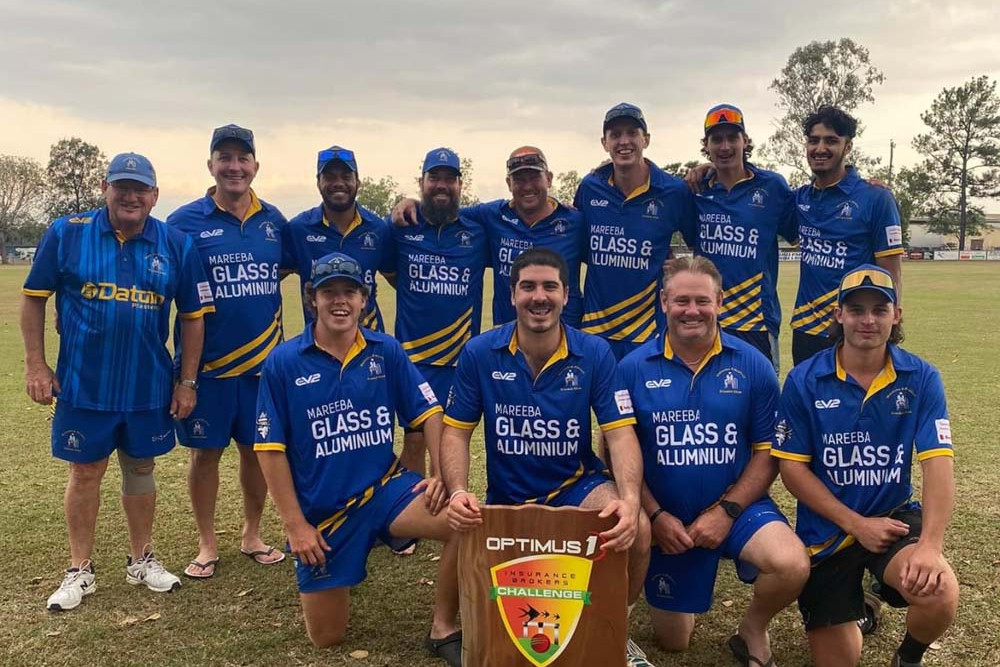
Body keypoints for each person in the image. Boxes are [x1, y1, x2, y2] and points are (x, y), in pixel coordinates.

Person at [440, 248, 656, 667]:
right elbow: (455, 432)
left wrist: (630, 500)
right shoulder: (480, 352)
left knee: (639, 530)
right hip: (509, 493)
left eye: (549, 287)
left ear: (565, 294)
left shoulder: (594, 352)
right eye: (528, 287)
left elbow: (621, 433)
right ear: (512, 294)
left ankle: (617, 629)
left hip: (576, 485)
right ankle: (448, 625)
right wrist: (459, 491)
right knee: (469, 541)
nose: (539, 297)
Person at [22, 152, 214, 610]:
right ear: (105, 188)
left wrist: (187, 381)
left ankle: (141, 559)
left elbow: (192, 318)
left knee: (142, 469)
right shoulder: (68, 233)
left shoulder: (175, 244)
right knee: (85, 472)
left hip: (148, 385)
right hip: (83, 384)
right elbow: (33, 300)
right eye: (121, 186)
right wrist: (35, 365)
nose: (130, 196)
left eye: (140, 188)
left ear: (154, 194)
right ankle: (79, 569)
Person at [254, 252, 461, 666]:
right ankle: (345, 564)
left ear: (365, 299)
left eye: (350, 291)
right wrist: (296, 527)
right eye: (329, 292)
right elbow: (270, 450)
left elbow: (430, 413)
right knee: (327, 637)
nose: (340, 301)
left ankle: (445, 627)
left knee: (464, 522)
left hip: (386, 491)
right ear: (312, 298)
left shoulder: (386, 351)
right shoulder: (283, 363)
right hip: (327, 515)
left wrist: (442, 475)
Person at [618, 256, 809, 666]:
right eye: (681, 300)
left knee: (791, 564)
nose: (692, 311)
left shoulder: (752, 364)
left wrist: (727, 510)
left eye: (702, 300)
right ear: (664, 301)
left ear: (720, 301)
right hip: (668, 521)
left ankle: (752, 629)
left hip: (736, 509)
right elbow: (616, 453)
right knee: (674, 641)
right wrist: (653, 516)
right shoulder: (632, 368)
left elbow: (767, 451)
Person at [772, 264, 958, 667]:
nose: (868, 320)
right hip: (828, 533)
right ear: (839, 315)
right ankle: (860, 605)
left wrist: (929, 546)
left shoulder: (921, 377)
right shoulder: (805, 379)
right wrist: (856, 523)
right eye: (856, 309)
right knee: (840, 660)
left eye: (879, 309)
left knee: (940, 591)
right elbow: (792, 471)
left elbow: (938, 463)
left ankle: (906, 659)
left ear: (897, 315)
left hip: (892, 521)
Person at [168, 124, 289, 579]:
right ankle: (206, 542)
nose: (234, 166)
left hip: (262, 370)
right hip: (208, 369)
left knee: (258, 451)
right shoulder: (183, 222)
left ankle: (252, 534)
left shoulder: (274, 221)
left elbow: (300, 266)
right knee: (204, 455)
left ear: (255, 165)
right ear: (211, 165)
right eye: (225, 157)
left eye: (243, 158)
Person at [391, 146, 587, 327]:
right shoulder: (493, 215)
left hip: (566, 339)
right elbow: (445, 208)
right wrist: (413, 202)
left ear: (549, 179)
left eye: (534, 177)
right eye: (519, 179)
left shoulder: (576, 222)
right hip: (509, 342)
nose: (527, 187)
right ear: (508, 183)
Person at [390, 148, 488, 477]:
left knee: (451, 439)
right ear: (422, 182)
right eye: (434, 178)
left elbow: (514, 210)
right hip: (412, 359)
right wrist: (403, 202)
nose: (441, 185)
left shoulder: (477, 229)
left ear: (461, 184)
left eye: (450, 179)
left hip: (459, 360)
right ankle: (411, 510)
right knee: (414, 439)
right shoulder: (402, 228)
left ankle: (447, 509)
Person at [575, 102, 697, 361]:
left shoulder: (673, 192)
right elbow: (582, 247)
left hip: (647, 332)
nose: (624, 141)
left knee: (645, 402)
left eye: (632, 133)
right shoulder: (589, 188)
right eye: (615, 135)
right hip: (596, 331)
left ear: (646, 139)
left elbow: (701, 241)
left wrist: (682, 268)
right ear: (604, 143)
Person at [790, 106, 904, 365]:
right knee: (808, 403)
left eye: (831, 141)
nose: (820, 149)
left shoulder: (876, 199)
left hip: (853, 327)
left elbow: (892, 272)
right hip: (806, 328)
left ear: (848, 146)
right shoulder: (799, 199)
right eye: (813, 140)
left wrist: (890, 327)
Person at [692, 104, 798, 371]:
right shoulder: (694, 190)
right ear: (706, 145)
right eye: (717, 139)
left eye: (732, 138)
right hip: (707, 319)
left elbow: (806, 229)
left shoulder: (772, 187)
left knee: (763, 407)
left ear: (745, 141)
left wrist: (865, 191)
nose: (725, 146)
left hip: (757, 323)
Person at [284, 146, 395, 331]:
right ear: (318, 182)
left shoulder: (378, 229)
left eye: (346, 176)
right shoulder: (298, 229)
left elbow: (402, 282)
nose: (338, 183)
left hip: (370, 345)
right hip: (318, 348)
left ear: (358, 182)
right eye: (329, 177)